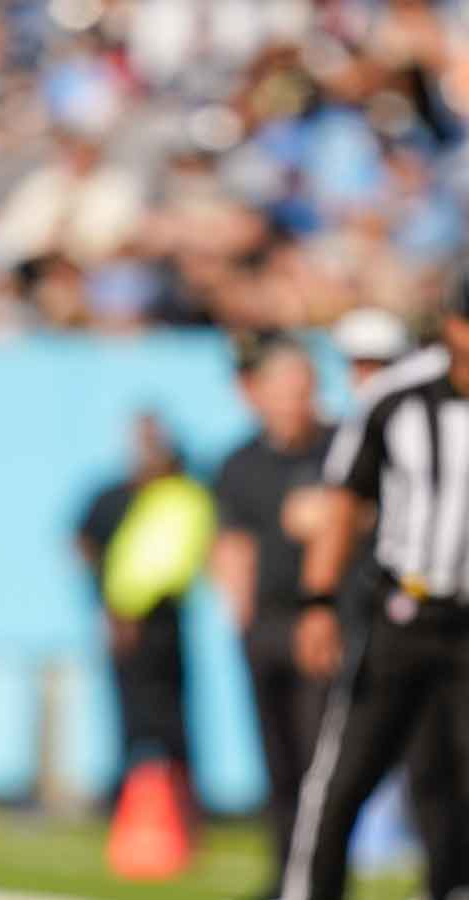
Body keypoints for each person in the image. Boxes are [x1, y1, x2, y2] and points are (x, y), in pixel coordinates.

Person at [283, 285, 469, 900]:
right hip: (403, 614)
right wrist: (317, 603)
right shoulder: (399, 398)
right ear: (452, 325)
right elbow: (344, 499)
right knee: (344, 777)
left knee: (449, 784)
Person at [210, 333, 334, 900]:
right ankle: (286, 874)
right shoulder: (240, 462)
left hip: (325, 627)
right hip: (267, 630)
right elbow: (232, 543)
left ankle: (321, 878)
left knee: (322, 769)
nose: (292, 400)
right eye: (281, 389)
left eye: (300, 388)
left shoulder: (340, 449)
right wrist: (243, 623)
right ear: (258, 394)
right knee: (280, 765)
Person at [77, 413, 212, 804]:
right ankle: (133, 798)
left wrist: (131, 606)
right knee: (131, 713)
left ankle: (179, 800)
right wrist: (108, 603)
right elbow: (85, 543)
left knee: (170, 714)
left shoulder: (177, 497)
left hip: (159, 619)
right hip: (121, 617)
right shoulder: (113, 496)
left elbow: (163, 563)